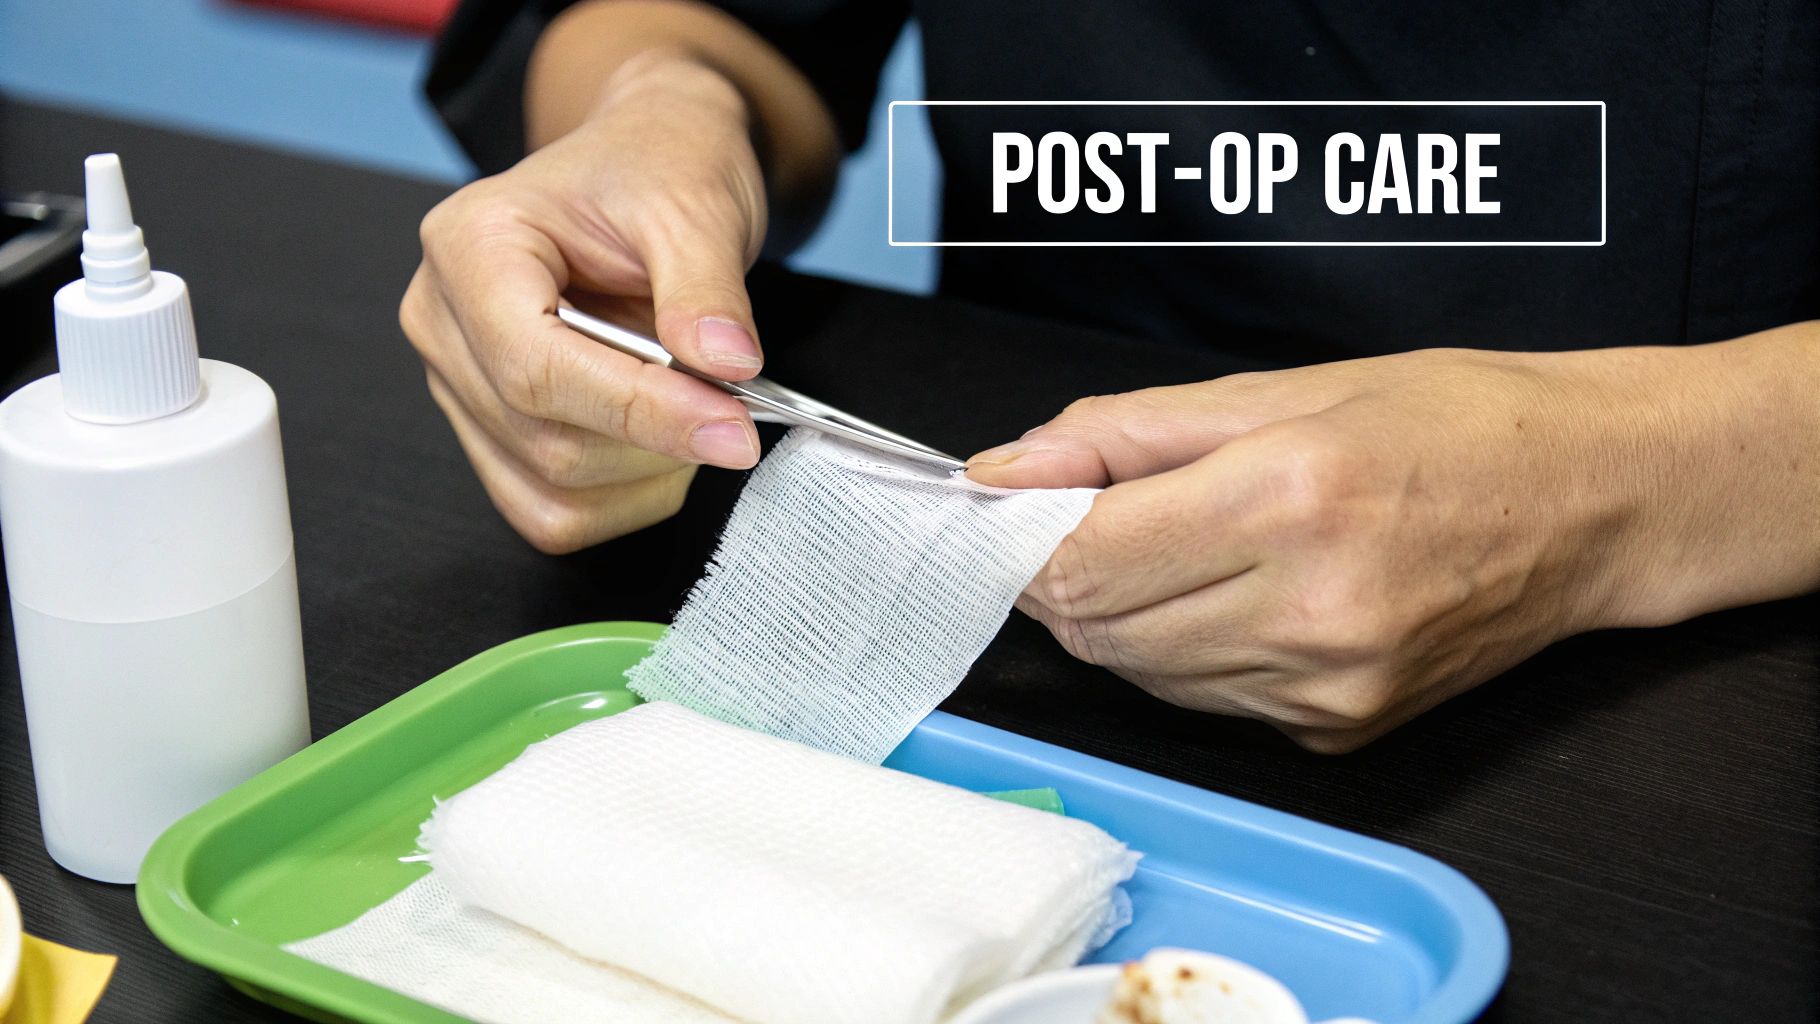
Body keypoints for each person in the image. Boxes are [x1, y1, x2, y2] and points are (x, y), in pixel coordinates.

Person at [404, 0, 1819, 751]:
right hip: (1023, 633)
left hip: (1715, 689)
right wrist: (660, 103)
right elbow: (730, 19)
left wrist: (1628, 480)